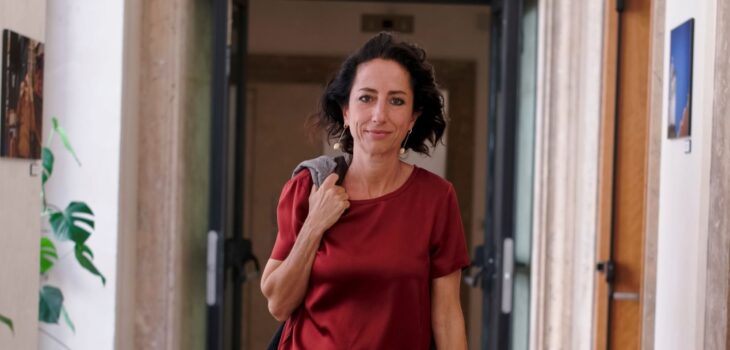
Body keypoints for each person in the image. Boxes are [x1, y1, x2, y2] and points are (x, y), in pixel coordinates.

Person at [260, 32, 470, 350]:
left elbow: (447, 317)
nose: (379, 115)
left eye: (396, 101)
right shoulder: (308, 188)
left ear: (413, 117)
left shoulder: (436, 199)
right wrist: (314, 225)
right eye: (366, 98)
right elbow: (278, 304)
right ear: (346, 111)